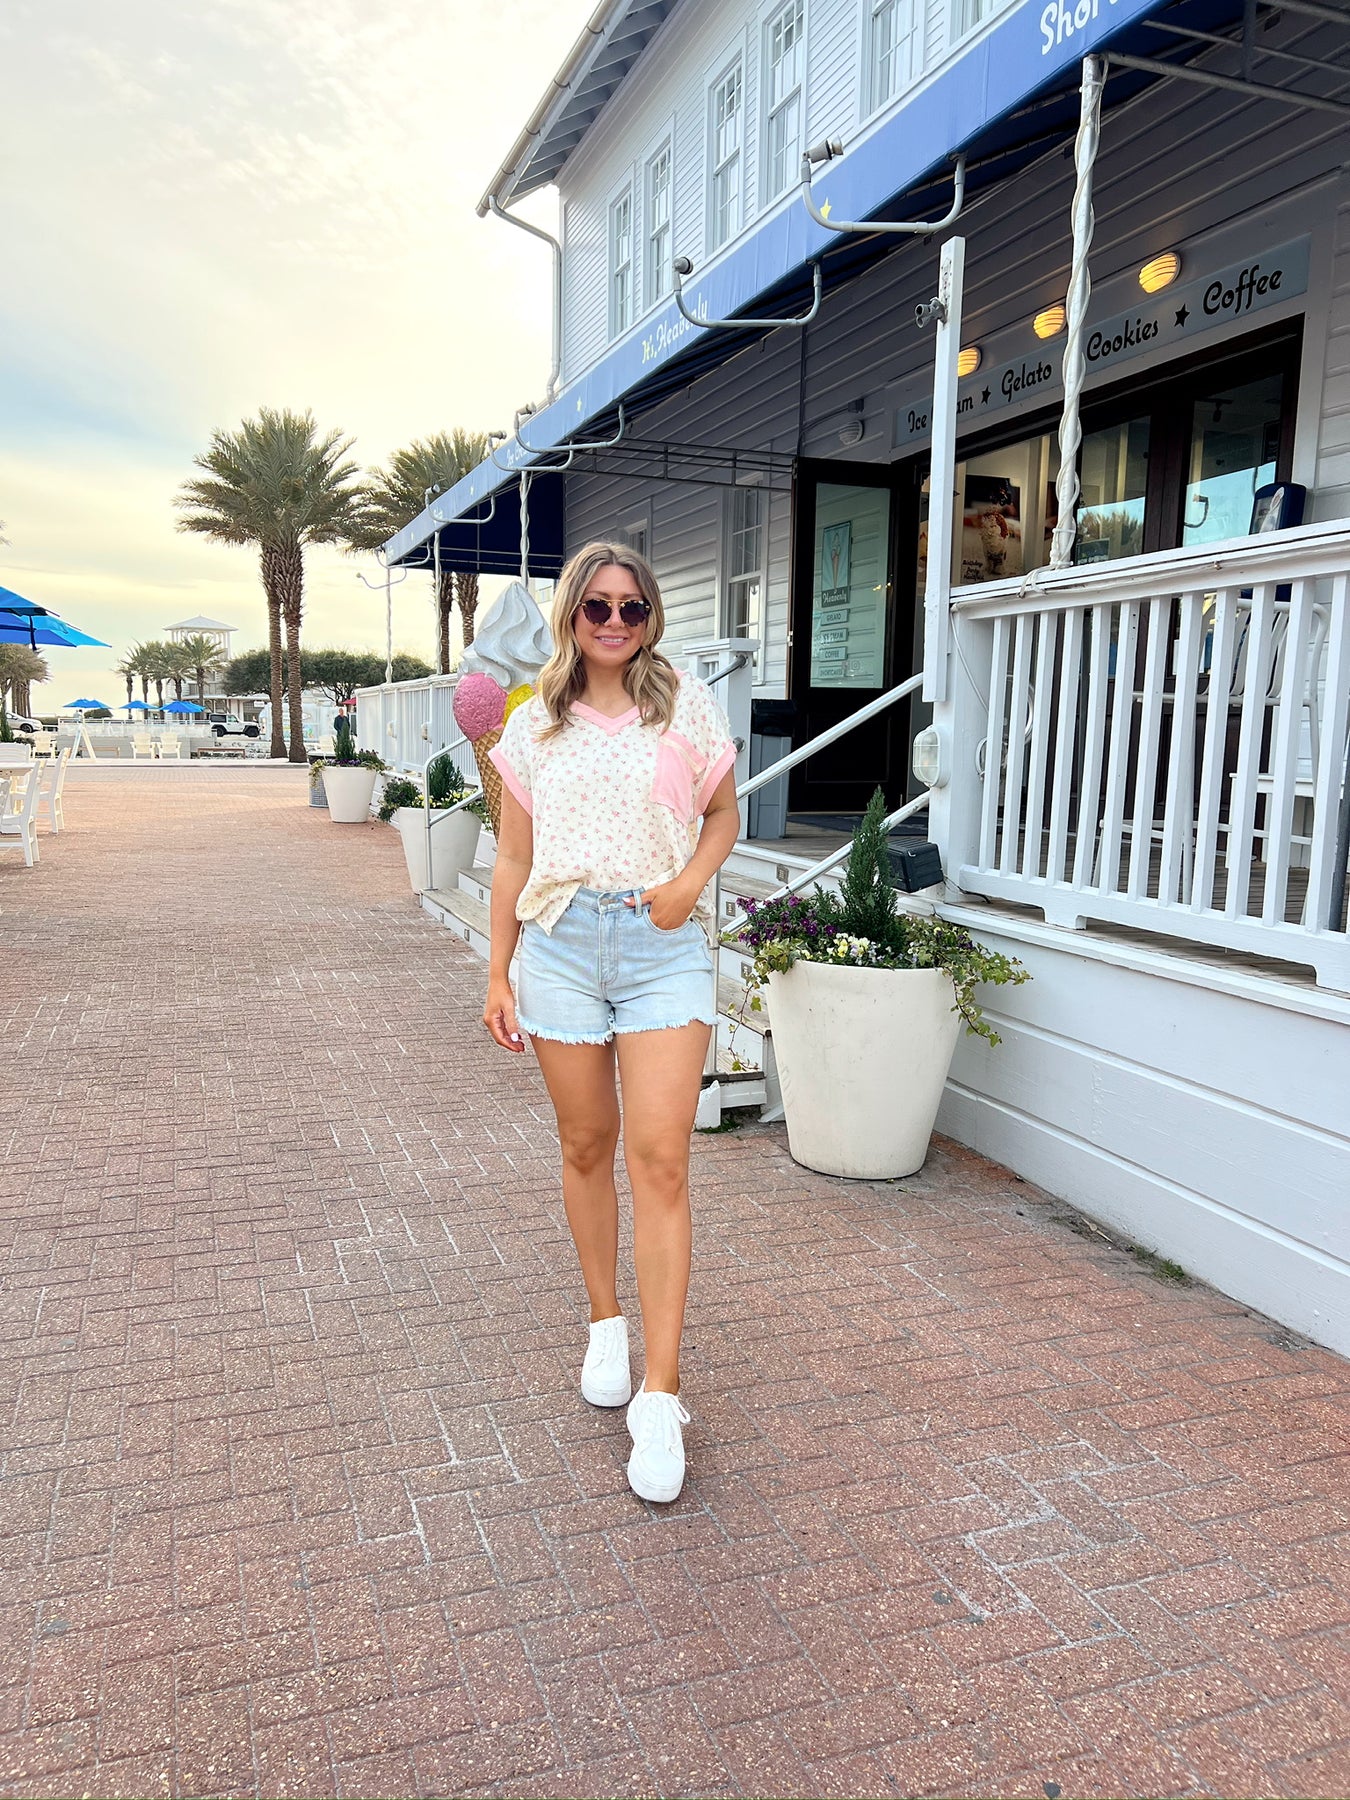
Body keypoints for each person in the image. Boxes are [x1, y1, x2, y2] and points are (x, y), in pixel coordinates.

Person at [483, 541, 741, 1504]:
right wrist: (498, 970)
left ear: (651, 617)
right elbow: (514, 859)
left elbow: (724, 815)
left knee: (661, 1158)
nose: (616, 623)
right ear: (572, 615)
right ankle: (605, 1325)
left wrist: (686, 886)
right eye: (598, 606)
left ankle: (660, 1396)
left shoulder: (684, 702)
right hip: (559, 945)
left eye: (633, 607)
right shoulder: (532, 724)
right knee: (585, 1143)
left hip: (660, 943)